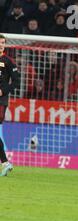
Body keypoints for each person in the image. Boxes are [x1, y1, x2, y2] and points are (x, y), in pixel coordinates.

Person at [0, 34, 20, 177]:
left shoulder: (8, 61)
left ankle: (5, 162)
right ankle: (6, 163)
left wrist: (2, 90)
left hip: (1, 101)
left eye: (3, 43)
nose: (1, 45)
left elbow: (16, 82)